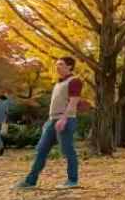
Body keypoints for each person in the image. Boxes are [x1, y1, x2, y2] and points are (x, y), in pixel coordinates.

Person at [14, 57, 82, 190]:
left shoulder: (74, 81)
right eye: (56, 64)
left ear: (70, 67)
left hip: (66, 120)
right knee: (41, 150)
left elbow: (73, 102)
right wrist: (49, 121)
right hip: (52, 121)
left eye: (61, 64)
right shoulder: (58, 84)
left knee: (68, 150)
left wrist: (63, 119)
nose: (57, 67)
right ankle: (30, 181)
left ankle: (72, 180)